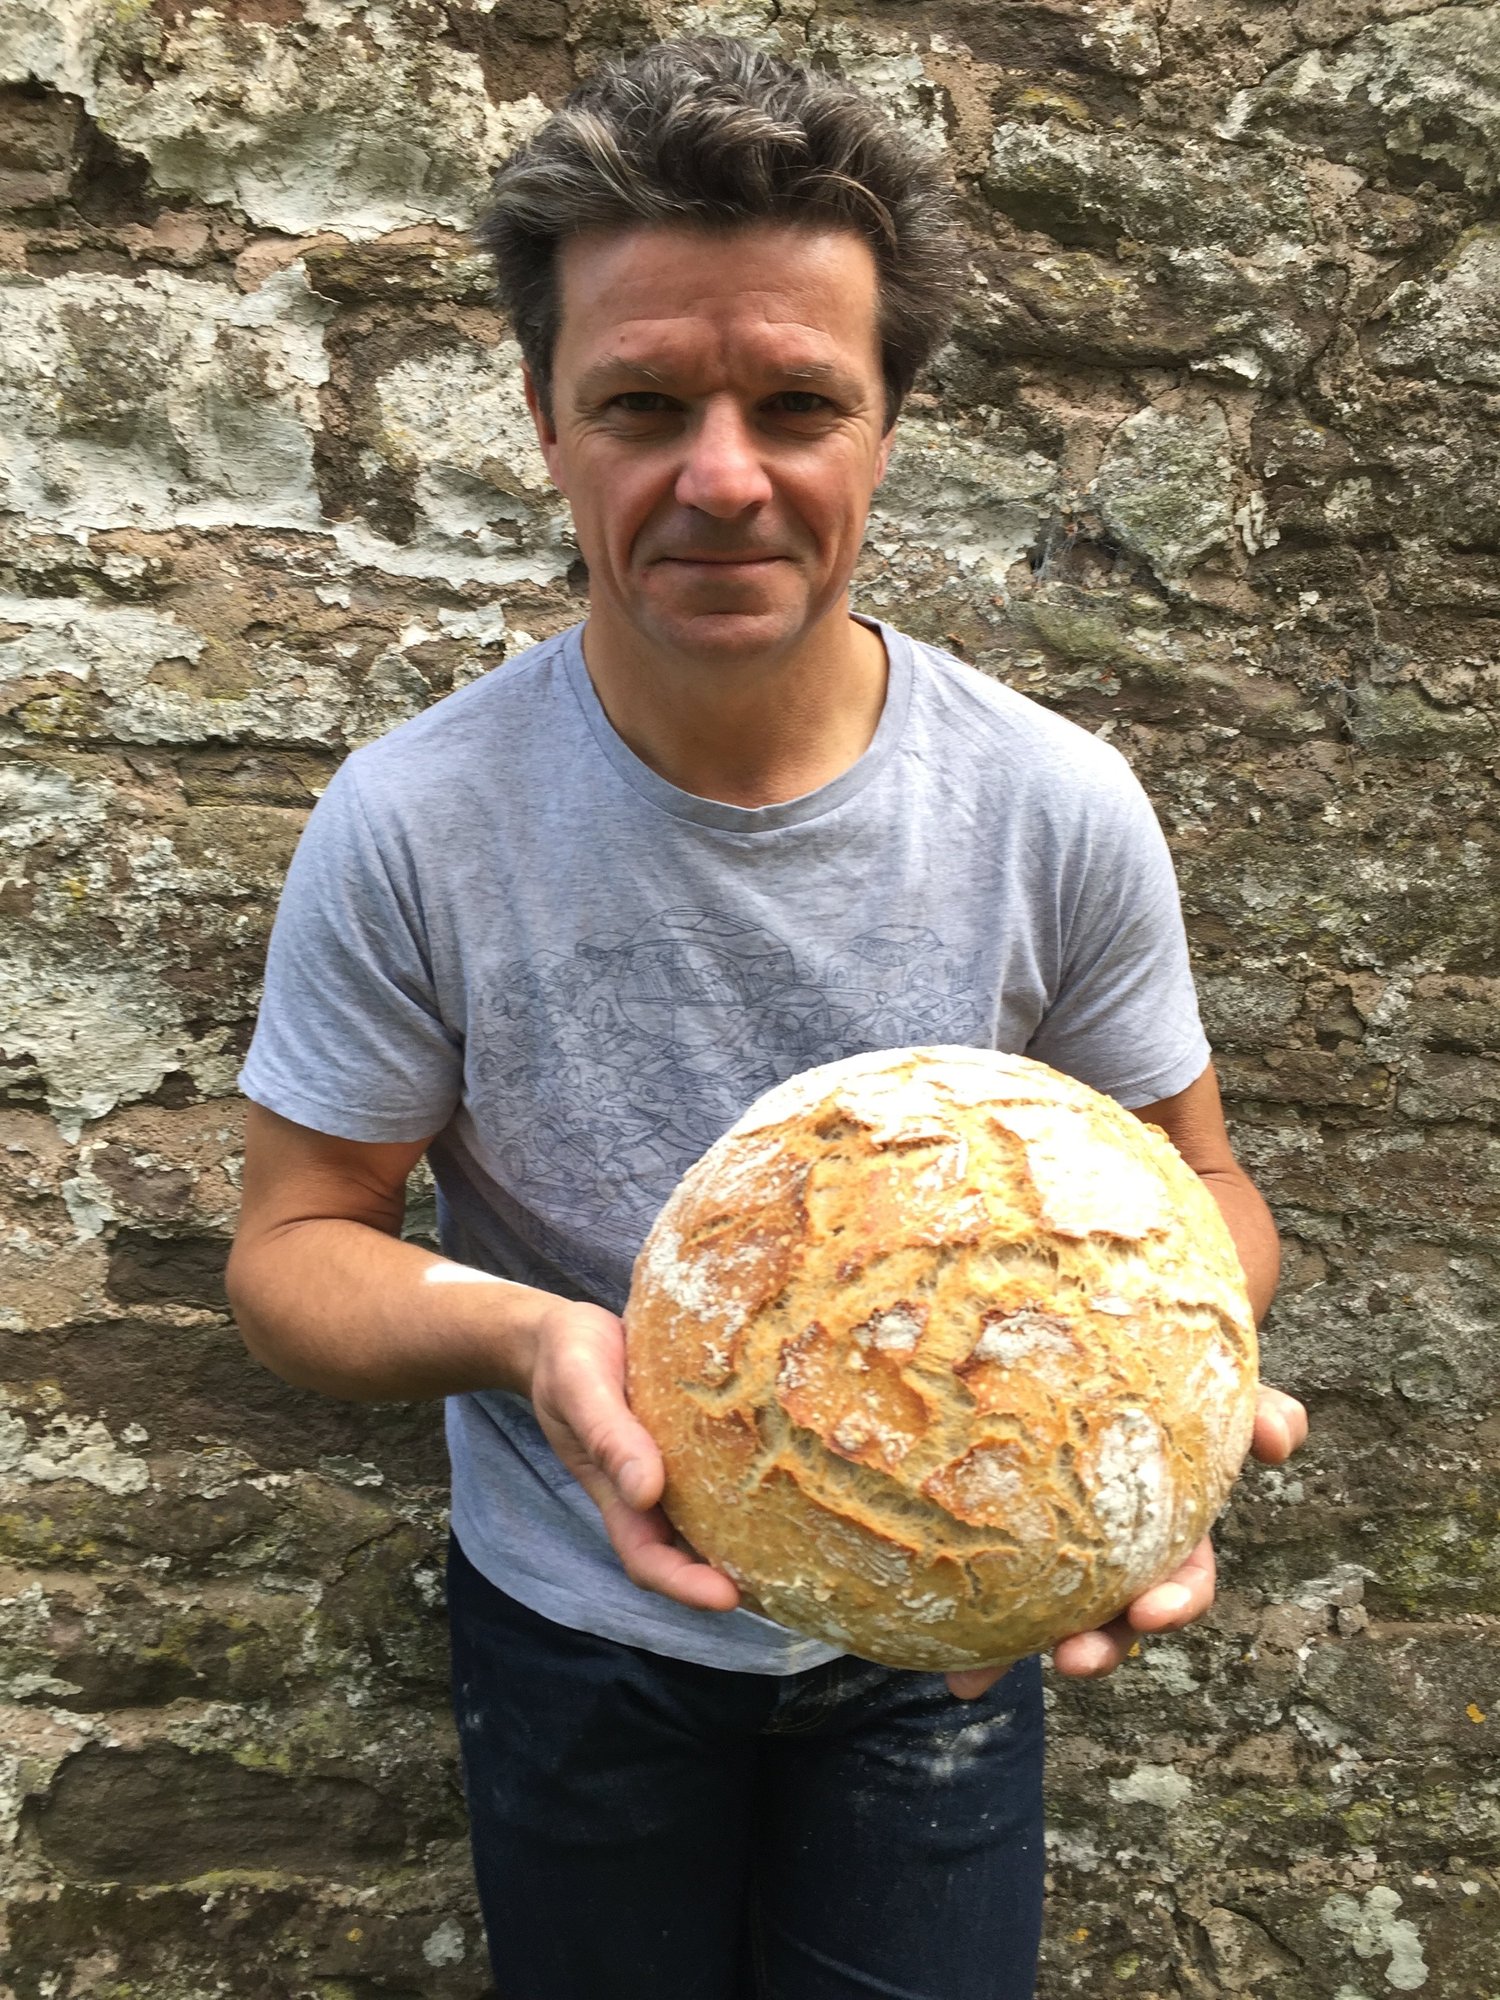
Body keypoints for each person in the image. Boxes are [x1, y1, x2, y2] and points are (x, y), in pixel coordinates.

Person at [226, 37, 1307, 2000]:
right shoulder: (418, 822)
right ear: (545, 422)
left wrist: (1177, 1386)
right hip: (574, 1630)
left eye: (798, 402)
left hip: (942, 1634)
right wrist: (542, 1340)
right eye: (642, 402)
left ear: (887, 426)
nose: (722, 477)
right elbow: (295, 1247)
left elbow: (1208, 1194)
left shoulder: (1053, 806)